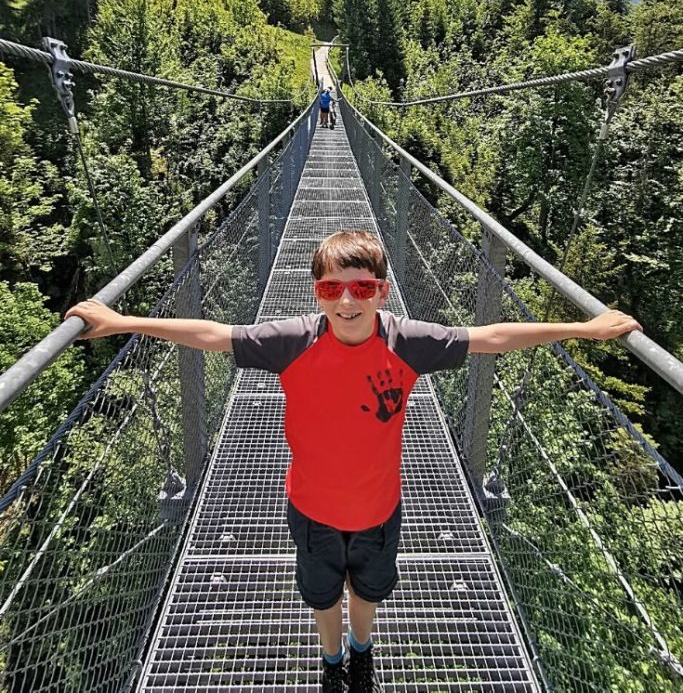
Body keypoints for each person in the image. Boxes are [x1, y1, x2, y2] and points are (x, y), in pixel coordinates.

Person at [66, 230, 642, 693]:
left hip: (379, 510)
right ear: (315, 291)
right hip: (312, 511)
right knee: (323, 597)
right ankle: (332, 659)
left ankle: (360, 655)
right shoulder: (291, 339)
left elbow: (490, 337)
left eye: (362, 289)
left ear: (383, 292)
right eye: (332, 289)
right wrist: (122, 323)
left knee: (366, 593)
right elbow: (214, 335)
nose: (346, 301)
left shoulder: (406, 341)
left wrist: (584, 330)